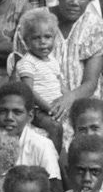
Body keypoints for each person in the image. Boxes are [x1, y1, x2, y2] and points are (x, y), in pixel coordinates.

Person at [15, 0, 103, 137]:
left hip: (82, 102)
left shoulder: (96, 27)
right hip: (40, 102)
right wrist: (46, 105)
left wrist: (69, 98)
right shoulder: (34, 21)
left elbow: (90, 82)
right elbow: (21, 73)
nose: (74, 2)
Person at [14, 8, 66, 152]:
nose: (43, 42)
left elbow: (60, 85)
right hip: (38, 110)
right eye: (36, 38)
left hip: (55, 107)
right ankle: (52, 159)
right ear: (26, 41)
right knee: (55, 127)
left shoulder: (52, 61)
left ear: (54, 38)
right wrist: (49, 109)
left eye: (47, 37)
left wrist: (68, 100)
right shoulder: (27, 62)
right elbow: (28, 91)